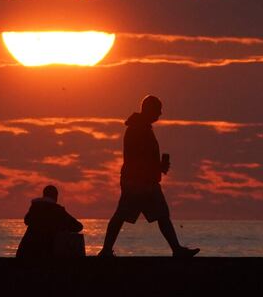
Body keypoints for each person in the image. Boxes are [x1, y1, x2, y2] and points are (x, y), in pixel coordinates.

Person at [98, 95, 199, 258]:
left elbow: (142, 156)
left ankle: (106, 250)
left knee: (153, 215)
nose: (160, 114)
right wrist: (156, 168)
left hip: (140, 180)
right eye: (158, 110)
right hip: (139, 182)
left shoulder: (140, 127)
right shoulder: (138, 129)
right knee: (147, 215)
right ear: (149, 110)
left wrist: (156, 168)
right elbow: (138, 157)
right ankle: (106, 251)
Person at [16, 185, 84, 259]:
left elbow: (27, 220)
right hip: (45, 253)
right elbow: (78, 226)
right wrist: (62, 228)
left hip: (26, 250)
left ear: (44, 195)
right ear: (56, 196)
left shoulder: (35, 208)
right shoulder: (58, 211)